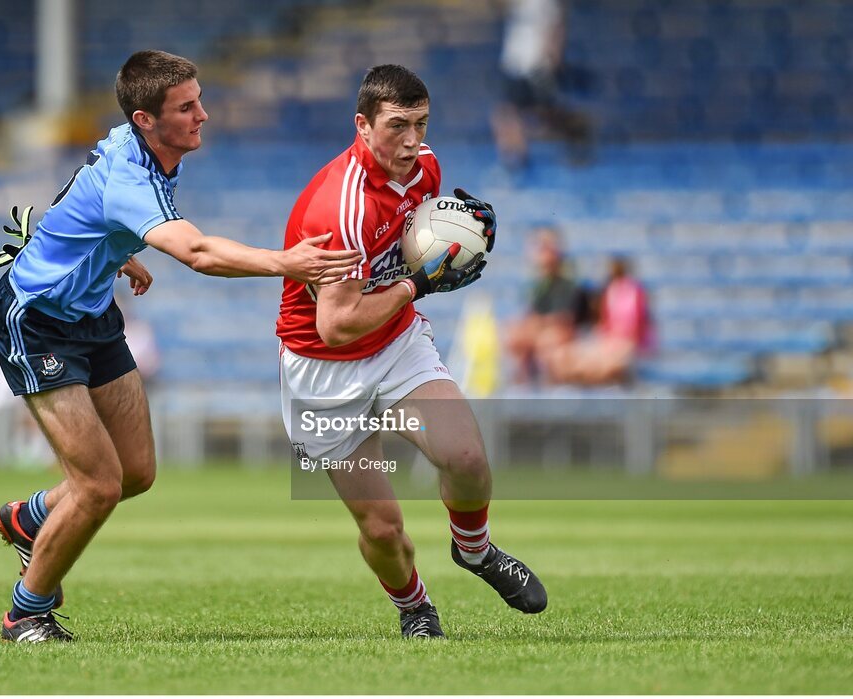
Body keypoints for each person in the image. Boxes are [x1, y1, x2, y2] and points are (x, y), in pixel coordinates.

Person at [0, 50, 361, 643]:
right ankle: (25, 614)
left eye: (199, 100)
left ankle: (31, 518)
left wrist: (116, 246)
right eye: (187, 107)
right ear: (144, 119)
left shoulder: (137, 153)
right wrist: (287, 263)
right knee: (99, 485)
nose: (203, 115)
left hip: (92, 313)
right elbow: (198, 252)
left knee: (135, 472)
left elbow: (74, 201)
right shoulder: (132, 173)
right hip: (37, 320)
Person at [277, 64, 547, 639]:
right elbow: (337, 325)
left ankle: (474, 552)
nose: (412, 140)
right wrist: (418, 284)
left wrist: (459, 238)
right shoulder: (340, 208)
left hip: (397, 345)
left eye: (421, 123)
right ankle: (415, 608)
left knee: (467, 459)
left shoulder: (424, 167)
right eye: (398, 125)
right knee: (382, 529)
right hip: (324, 374)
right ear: (362, 124)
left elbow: (412, 241)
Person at [492, 0, 591, 169]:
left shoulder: (545, 3)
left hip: (536, 66)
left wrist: (551, 62)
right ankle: (515, 161)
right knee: (506, 115)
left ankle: (576, 131)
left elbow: (556, 30)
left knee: (538, 117)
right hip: (515, 65)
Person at [543, 256, 654, 385]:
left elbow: (637, 326)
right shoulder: (609, 292)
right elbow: (603, 323)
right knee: (562, 357)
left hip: (626, 344)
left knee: (605, 366)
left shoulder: (634, 292)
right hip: (609, 341)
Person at [505, 226, 588, 383]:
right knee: (514, 336)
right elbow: (531, 314)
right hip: (542, 331)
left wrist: (537, 326)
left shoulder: (568, 283)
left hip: (562, 335)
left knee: (548, 343)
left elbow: (565, 320)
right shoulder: (537, 284)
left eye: (545, 246)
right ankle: (521, 388)